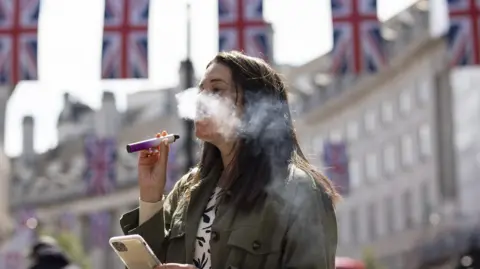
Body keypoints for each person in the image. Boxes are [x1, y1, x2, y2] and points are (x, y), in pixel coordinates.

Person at [120, 51, 340, 269]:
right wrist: (150, 195)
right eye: (200, 91)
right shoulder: (188, 189)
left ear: (254, 105)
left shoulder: (300, 191)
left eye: (216, 90)